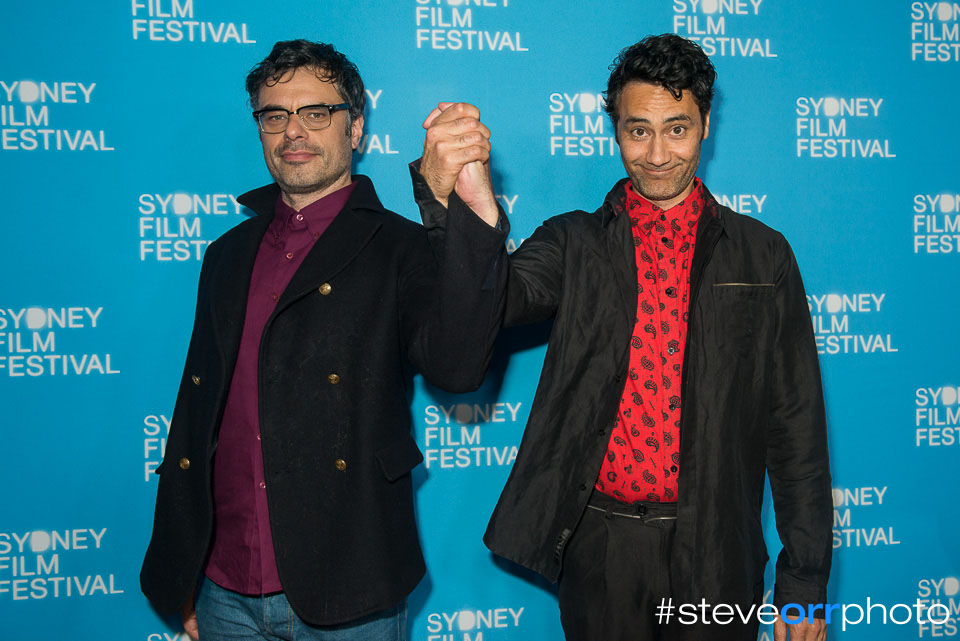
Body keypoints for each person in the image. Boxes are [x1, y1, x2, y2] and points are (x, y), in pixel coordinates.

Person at [412, 33, 831, 641]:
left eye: (676, 129)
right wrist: (464, 210)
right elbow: (491, 306)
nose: (657, 153)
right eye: (638, 130)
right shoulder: (572, 242)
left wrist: (804, 584)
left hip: (718, 549)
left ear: (705, 127)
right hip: (601, 549)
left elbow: (796, 428)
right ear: (614, 131)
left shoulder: (764, 254)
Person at [140, 39, 503, 641]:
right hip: (222, 581)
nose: (293, 131)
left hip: (350, 580)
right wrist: (183, 569)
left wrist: (467, 213)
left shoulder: (400, 247)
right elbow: (197, 416)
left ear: (355, 127)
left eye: (316, 112)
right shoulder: (226, 254)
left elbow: (459, 367)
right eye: (274, 115)